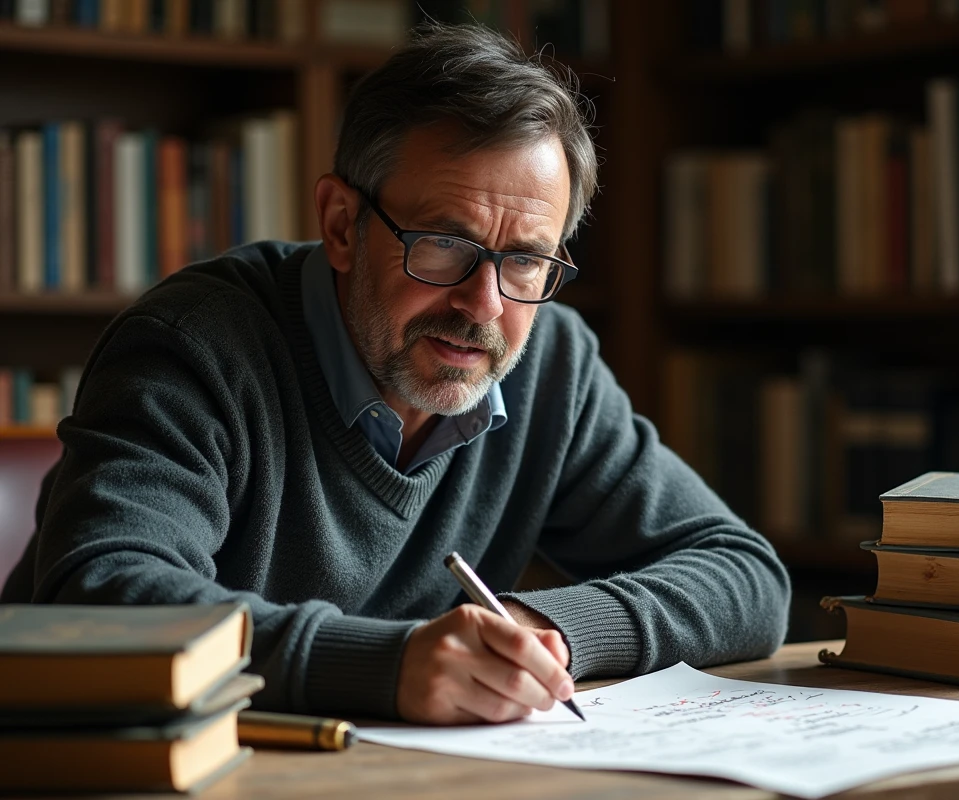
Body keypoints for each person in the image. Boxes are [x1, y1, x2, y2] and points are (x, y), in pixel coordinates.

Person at [1, 23, 790, 724]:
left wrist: (540, 630)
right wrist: (388, 663)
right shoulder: (193, 345)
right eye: (444, 244)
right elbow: (103, 597)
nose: (482, 305)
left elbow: (748, 578)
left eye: (526, 260)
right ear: (342, 225)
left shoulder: (553, 363)